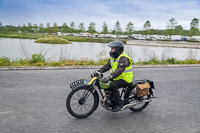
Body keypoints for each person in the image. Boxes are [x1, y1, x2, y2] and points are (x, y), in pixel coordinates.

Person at [93, 41, 133, 112]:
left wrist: (109, 77)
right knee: (105, 84)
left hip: (125, 79)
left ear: (118, 49)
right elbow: (107, 66)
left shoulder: (123, 58)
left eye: (113, 49)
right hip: (117, 77)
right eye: (111, 49)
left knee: (113, 86)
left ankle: (119, 104)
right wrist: (99, 71)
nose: (111, 50)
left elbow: (120, 70)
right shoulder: (113, 57)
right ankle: (111, 99)